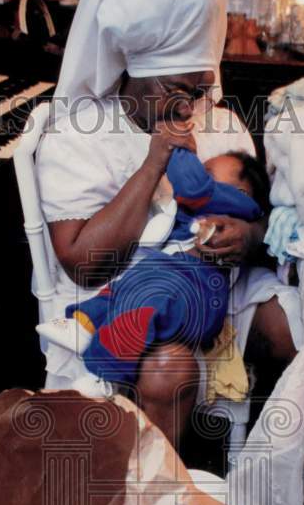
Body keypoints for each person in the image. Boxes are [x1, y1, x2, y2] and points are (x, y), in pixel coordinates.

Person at [35, 0, 303, 447]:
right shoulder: (79, 135)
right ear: (137, 69)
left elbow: (267, 222)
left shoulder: (220, 123)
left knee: (299, 331)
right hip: (125, 295)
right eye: (183, 86)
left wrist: (245, 235)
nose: (197, 102)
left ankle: (265, 470)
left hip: (215, 285)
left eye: (203, 86)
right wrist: (154, 160)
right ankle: (157, 499)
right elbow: (82, 263)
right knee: (168, 369)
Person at [36, 148, 266, 392]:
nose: (199, 174)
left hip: (197, 295)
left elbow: (192, 186)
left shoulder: (232, 207)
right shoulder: (193, 212)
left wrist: (178, 149)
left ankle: (105, 378)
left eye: (207, 173)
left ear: (240, 194)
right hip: (168, 276)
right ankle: (84, 323)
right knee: (121, 289)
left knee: (142, 306)